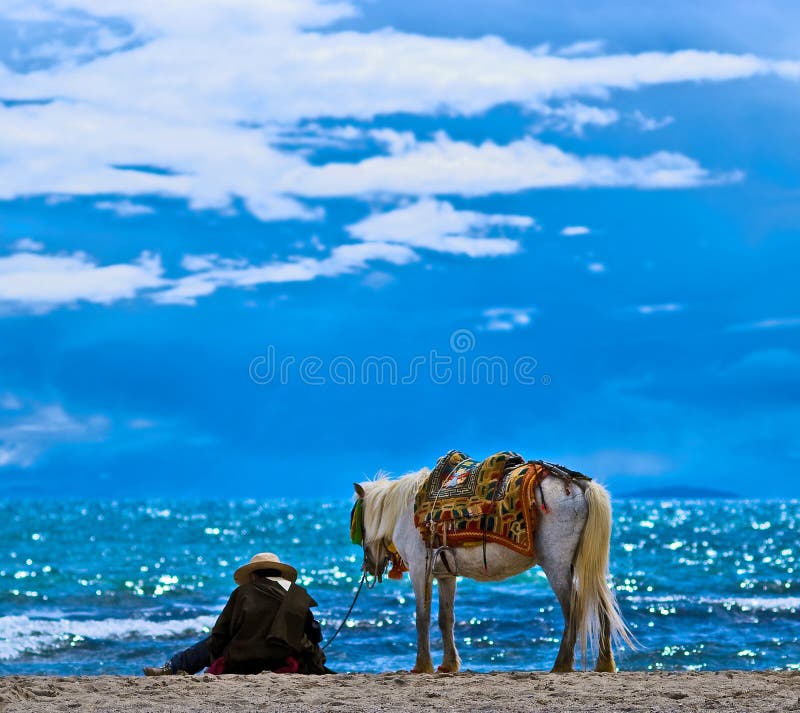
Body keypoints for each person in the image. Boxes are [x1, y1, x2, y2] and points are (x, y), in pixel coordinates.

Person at [143, 552, 330, 675]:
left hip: (243, 658)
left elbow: (221, 633)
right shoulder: (297, 594)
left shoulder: (242, 593)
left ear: (254, 576)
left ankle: (172, 667)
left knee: (210, 643)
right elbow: (313, 634)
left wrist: (215, 654)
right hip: (286, 658)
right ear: (279, 574)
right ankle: (172, 666)